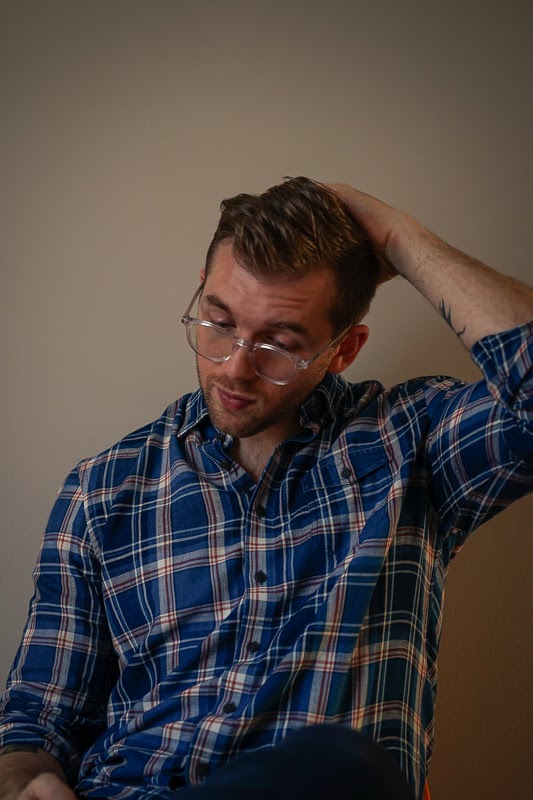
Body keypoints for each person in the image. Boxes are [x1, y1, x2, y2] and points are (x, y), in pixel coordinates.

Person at [0, 177, 531, 800]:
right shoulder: (101, 491)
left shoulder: (412, 443)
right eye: (219, 321)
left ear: (344, 349)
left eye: (278, 345)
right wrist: (26, 781)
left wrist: (398, 237)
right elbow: (37, 721)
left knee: (342, 766)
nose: (233, 367)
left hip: (323, 785)